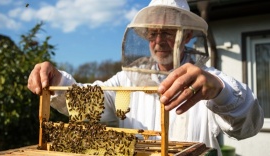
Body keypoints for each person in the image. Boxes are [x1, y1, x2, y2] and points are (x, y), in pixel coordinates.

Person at [27, 0, 264, 155]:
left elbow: (249, 125)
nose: (159, 40)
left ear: (188, 35)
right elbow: (89, 105)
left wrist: (220, 92)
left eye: (168, 31)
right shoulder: (127, 81)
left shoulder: (208, 81)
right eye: (152, 32)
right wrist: (57, 82)